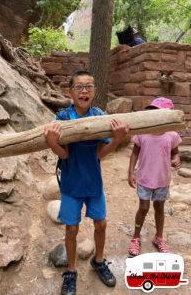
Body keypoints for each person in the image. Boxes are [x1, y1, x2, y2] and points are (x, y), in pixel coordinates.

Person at [44, 70, 129, 295]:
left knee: (101, 224)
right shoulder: (63, 118)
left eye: (89, 87)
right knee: (72, 228)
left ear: (95, 91)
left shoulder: (100, 116)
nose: (84, 91)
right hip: (71, 185)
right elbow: (63, 155)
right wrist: (53, 143)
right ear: (70, 91)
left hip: (93, 184)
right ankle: (71, 271)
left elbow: (100, 154)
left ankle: (98, 261)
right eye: (79, 87)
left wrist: (118, 140)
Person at [128, 97, 182, 257]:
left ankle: (159, 237)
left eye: (158, 112)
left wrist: (176, 159)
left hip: (162, 180)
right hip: (144, 178)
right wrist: (131, 172)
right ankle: (135, 238)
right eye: (152, 111)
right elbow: (134, 154)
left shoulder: (172, 135)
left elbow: (176, 152)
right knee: (143, 208)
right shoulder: (143, 133)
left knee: (159, 208)